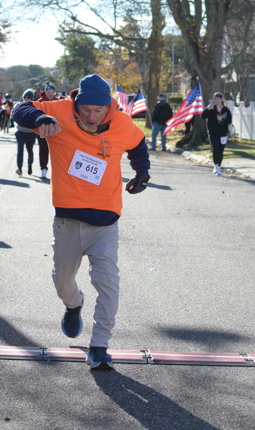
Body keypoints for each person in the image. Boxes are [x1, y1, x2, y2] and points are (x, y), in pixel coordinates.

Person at [12, 74, 151, 371]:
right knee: (62, 282)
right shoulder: (61, 111)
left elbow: (138, 144)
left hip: (105, 223)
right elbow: (19, 109)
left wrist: (142, 172)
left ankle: (99, 346)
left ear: (108, 107)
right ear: (77, 104)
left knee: (108, 284)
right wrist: (40, 118)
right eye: (85, 109)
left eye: (98, 110)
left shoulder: (122, 122)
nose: (91, 116)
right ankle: (74, 305)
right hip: (68, 221)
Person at [201, 92, 232, 175]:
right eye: (215, 98)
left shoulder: (225, 110)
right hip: (212, 132)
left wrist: (222, 120)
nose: (216, 100)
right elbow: (202, 116)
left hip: (223, 133)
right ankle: (215, 166)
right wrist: (207, 109)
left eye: (218, 98)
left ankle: (219, 166)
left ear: (221, 100)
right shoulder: (211, 108)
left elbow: (229, 121)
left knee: (220, 150)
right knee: (216, 148)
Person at [36, 83, 62, 179]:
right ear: (45, 92)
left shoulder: (58, 101)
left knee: (57, 151)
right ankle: (43, 168)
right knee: (43, 149)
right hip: (43, 129)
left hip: (56, 130)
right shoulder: (40, 101)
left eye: (52, 92)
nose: (50, 94)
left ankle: (58, 170)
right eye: (48, 92)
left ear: (54, 92)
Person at [14, 89, 38, 176]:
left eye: (29, 97)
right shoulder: (18, 106)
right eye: (25, 97)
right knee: (20, 149)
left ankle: (30, 165)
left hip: (31, 133)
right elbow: (13, 115)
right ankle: (19, 168)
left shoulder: (35, 106)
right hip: (20, 132)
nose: (27, 99)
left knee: (30, 150)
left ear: (32, 98)